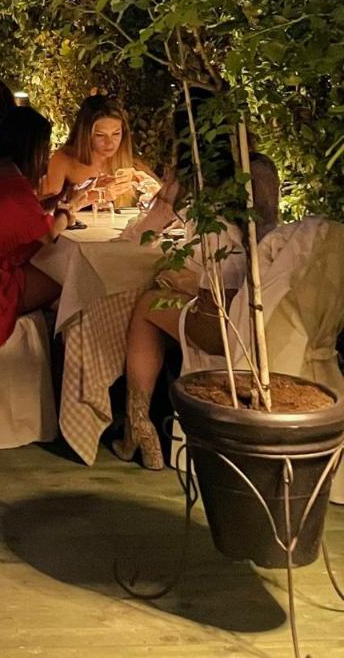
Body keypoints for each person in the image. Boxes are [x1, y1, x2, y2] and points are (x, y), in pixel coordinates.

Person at [114, 97, 279, 470]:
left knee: (147, 304)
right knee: (164, 292)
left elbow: (141, 235)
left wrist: (170, 189)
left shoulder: (201, 181)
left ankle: (138, 427)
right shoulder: (260, 169)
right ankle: (144, 424)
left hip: (224, 322)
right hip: (266, 309)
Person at [0, 108, 88, 349]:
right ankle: (62, 357)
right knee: (76, 283)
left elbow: (22, 216)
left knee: (62, 276)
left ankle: (52, 350)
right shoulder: (6, 180)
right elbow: (46, 235)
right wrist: (67, 213)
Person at [41, 95, 160, 207]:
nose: (109, 143)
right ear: (85, 134)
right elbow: (43, 210)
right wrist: (97, 195)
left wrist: (143, 181)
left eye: (116, 134)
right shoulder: (64, 160)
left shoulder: (129, 163)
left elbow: (164, 204)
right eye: (100, 135)